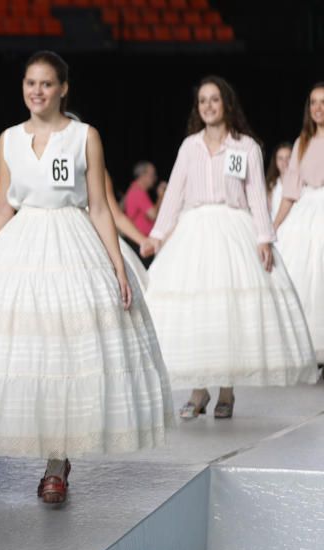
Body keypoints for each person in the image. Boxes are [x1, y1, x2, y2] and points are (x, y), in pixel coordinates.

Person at [0, 51, 172, 504]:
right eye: (30, 83)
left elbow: (101, 206)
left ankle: (56, 462)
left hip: (72, 242)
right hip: (22, 244)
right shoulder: (9, 138)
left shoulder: (85, 136)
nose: (37, 91)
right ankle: (46, 452)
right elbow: (4, 205)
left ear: (63, 88)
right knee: (25, 351)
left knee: (66, 352)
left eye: (46, 83)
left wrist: (116, 265)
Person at [143, 76, 316, 417]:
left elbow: (255, 196)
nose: (208, 106)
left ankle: (225, 392)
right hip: (194, 232)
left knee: (228, 312)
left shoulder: (245, 147)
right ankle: (197, 391)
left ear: (227, 105)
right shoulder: (190, 147)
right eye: (202, 101)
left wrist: (264, 237)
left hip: (232, 229)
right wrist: (158, 235)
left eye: (214, 100)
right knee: (197, 311)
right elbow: (175, 192)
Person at [273, 83, 324, 361]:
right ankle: (310, 350)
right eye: (313, 102)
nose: (318, 108)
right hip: (305, 214)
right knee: (302, 277)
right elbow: (290, 191)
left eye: (323, 102)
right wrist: (274, 225)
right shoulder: (301, 143)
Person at [122, 161, 166, 241]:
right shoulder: (137, 192)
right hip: (140, 241)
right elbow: (153, 215)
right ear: (143, 175)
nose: (155, 178)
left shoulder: (137, 190)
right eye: (152, 175)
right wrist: (161, 196)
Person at [266, 142, 293, 220]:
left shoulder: (301, 184)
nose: (285, 162)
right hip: (276, 229)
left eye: (288, 157)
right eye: (280, 158)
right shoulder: (271, 185)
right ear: (275, 161)